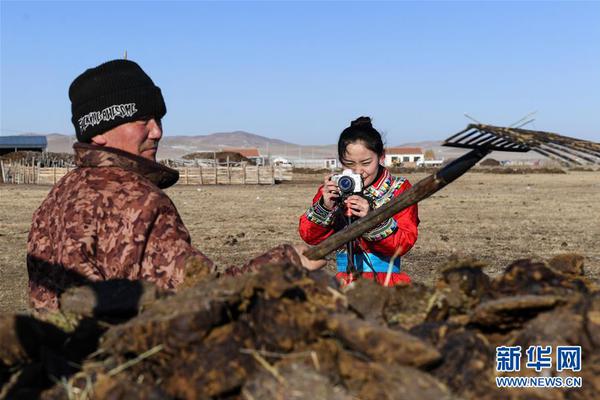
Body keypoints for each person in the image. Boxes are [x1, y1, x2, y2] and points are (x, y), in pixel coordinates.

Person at [27, 59, 323, 310]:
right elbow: (200, 297)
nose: (156, 131)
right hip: (129, 368)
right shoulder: (137, 200)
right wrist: (287, 262)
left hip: (62, 368)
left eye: (158, 118)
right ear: (99, 130)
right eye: (142, 120)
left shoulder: (58, 197)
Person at [298, 117, 419, 286]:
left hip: (386, 283)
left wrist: (372, 219)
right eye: (349, 163)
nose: (358, 171)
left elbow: (403, 244)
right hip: (345, 281)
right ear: (340, 160)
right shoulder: (334, 188)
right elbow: (310, 237)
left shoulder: (399, 189)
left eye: (366, 163)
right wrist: (325, 207)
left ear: (381, 156)